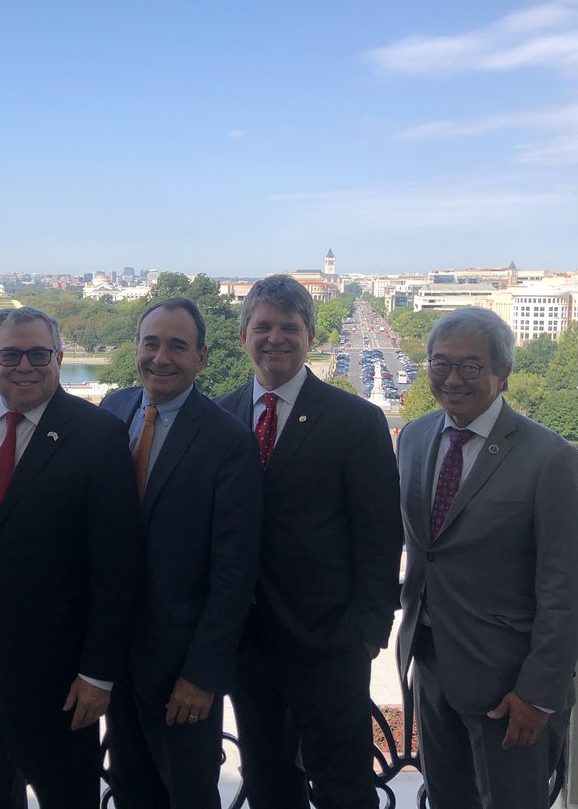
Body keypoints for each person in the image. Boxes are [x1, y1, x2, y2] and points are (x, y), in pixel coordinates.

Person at [0, 306, 142, 808]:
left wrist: (98, 672)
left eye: (39, 353)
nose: (25, 366)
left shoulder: (98, 435)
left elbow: (116, 568)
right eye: (11, 354)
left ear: (59, 358)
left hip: (60, 685)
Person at [397, 308, 578, 808]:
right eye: (440, 364)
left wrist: (538, 693)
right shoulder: (416, 437)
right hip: (432, 663)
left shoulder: (551, 459)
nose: (452, 379)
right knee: (447, 799)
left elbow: (568, 589)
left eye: (470, 366)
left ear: (503, 372)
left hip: (509, 686)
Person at [217, 276, 402, 809]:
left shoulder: (356, 421)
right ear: (243, 333)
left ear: (311, 335)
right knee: (269, 781)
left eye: (290, 327)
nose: (276, 337)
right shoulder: (220, 416)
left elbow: (379, 533)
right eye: (264, 326)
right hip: (247, 645)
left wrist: (369, 632)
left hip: (329, 643)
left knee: (343, 782)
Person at [100, 298, 263, 808]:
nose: (161, 357)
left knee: (188, 796)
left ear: (202, 358)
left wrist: (202, 676)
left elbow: (234, 573)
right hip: (110, 661)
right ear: (136, 348)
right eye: (151, 343)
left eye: (177, 345)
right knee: (130, 792)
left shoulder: (228, 440)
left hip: (180, 673)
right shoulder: (112, 409)